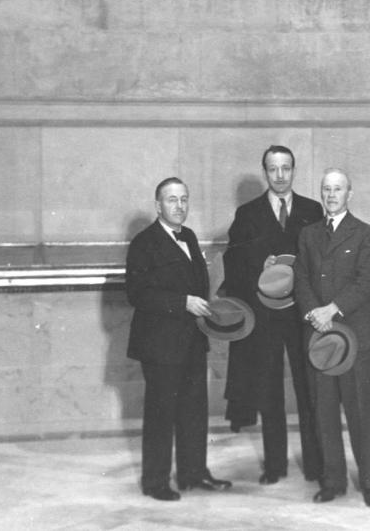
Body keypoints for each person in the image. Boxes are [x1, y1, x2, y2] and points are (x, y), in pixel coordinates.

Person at [220, 145, 324, 485]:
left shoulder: (312, 209)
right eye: (273, 169)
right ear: (264, 172)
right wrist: (259, 267)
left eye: (285, 168)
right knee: (269, 391)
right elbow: (233, 263)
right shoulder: (247, 213)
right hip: (265, 317)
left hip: (302, 315)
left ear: (294, 170)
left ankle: (315, 463)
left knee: (309, 388)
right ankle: (275, 465)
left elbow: (323, 261)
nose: (280, 175)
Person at [126, 178, 233, 501]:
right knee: (161, 414)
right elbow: (137, 294)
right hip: (159, 345)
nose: (179, 206)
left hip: (192, 341)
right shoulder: (144, 243)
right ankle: (155, 482)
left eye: (184, 199)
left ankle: (193, 474)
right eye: (171, 200)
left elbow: (197, 284)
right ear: (157, 205)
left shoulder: (189, 236)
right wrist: (182, 302)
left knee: (194, 411)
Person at [293, 169, 370, 507]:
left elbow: (365, 282)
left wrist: (331, 309)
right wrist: (314, 313)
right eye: (326, 189)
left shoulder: (365, 234)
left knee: (361, 415)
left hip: (355, 340)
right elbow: (301, 277)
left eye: (338, 189)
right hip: (319, 337)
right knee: (324, 413)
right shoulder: (308, 234)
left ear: (350, 194)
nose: (331, 195)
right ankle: (333, 481)